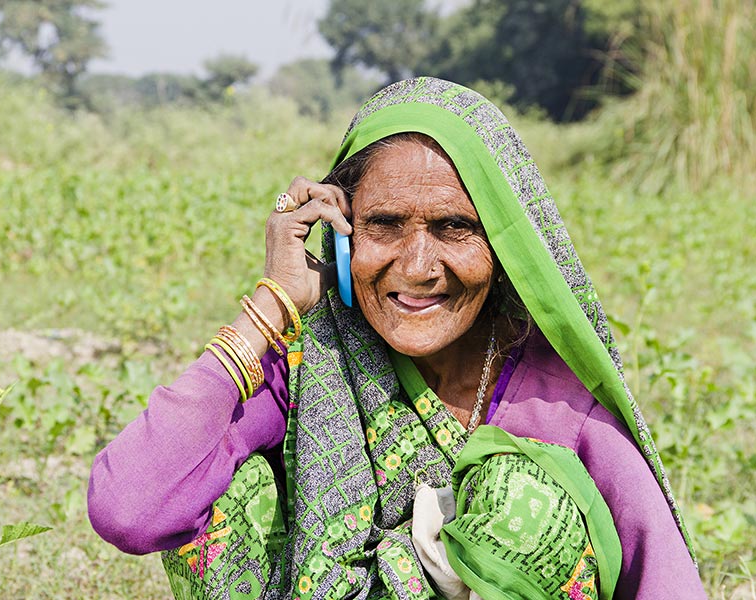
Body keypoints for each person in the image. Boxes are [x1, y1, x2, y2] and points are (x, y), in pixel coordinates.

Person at [88, 77, 706, 599]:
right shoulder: (316, 360)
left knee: (525, 507)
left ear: (504, 247)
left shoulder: (559, 403)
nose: (416, 267)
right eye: (382, 225)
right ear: (342, 231)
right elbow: (131, 508)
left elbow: (664, 580)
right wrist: (271, 310)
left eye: (454, 228)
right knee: (226, 495)